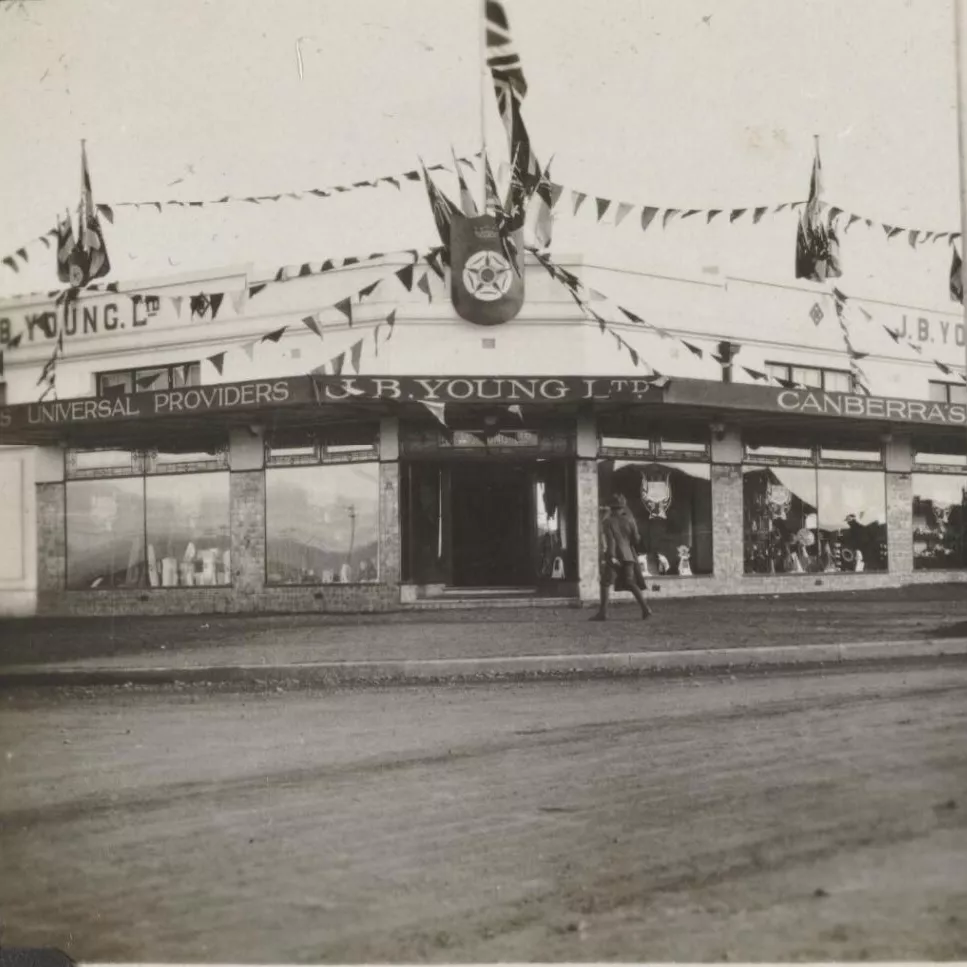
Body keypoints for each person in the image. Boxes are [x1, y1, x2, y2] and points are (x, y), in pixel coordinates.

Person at [591, 492, 653, 621]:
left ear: (611, 508)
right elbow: (636, 539)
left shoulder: (607, 522)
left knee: (605, 583)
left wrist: (611, 556)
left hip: (615, 556)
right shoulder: (630, 520)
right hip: (629, 556)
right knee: (630, 582)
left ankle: (603, 613)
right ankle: (646, 609)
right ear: (622, 507)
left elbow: (610, 540)